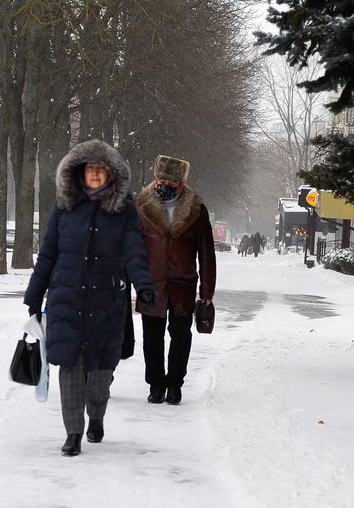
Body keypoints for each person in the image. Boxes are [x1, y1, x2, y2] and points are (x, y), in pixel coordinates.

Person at [24, 139, 154, 457]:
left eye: (100, 170)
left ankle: (96, 415)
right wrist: (35, 293)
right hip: (66, 296)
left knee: (99, 370)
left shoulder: (124, 212)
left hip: (107, 300)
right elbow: (48, 254)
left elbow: (134, 251)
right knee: (69, 365)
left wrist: (144, 284)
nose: (94, 175)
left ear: (110, 175)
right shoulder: (64, 208)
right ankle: (72, 433)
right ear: (79, 174)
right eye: (89, 170)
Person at [135, 155, 216, 405]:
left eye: (171, 181)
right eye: (161, 179)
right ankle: (156, 383)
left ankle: (175, 384)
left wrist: (207, 290)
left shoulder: (196, 209)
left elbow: (206, 252)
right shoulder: (141, 205)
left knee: (181, 335)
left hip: (183, 283)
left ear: (181, 183)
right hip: (151, 283)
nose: (164, 185)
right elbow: (133, 247)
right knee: (152, 336)